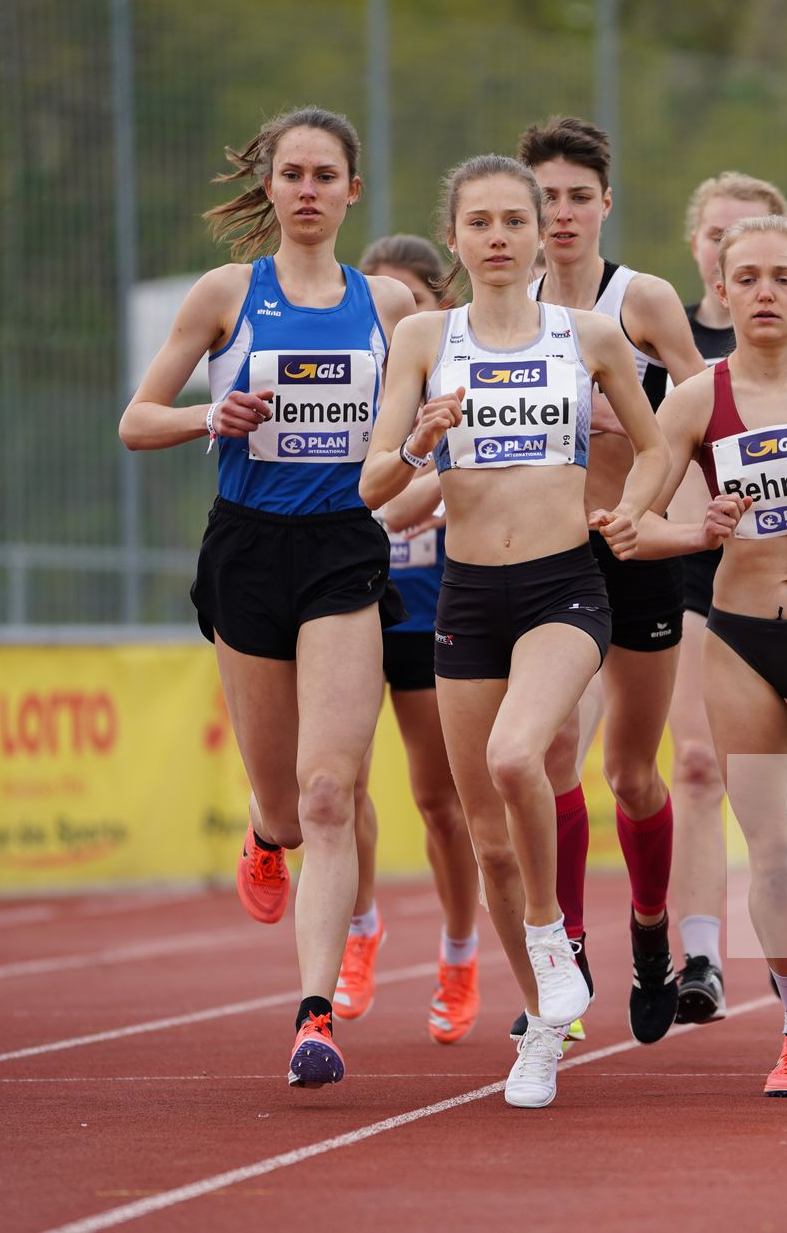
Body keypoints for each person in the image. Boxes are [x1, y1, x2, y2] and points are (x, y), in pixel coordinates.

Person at [360, 154, 669, 1108]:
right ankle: (541, 1027)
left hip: (562, 589)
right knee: (488, 839)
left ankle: (552, 936)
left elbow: (659, 445)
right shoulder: (422, 338)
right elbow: (374, 487)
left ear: (541, 237)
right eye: (479, 222)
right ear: (454, 238)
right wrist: (420, 438)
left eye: (513, 221)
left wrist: (629, 516)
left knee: (514, 756)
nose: (497, 236)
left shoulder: (590, 335)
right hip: (465, 598)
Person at [119, 107, 414, 1089]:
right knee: (288, 810)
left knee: (334, 792)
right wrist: (214, 412)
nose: (306, 189)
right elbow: (136, 419)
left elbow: (428, 424)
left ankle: (313, 1015)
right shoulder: (224, 293)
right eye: (290, 173)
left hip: (342, 550)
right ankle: (263, 832)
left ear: (351, 192)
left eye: (324, 174)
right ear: (270, 188)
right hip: (247, 548)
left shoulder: (389, 308)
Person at [636, 215, 787, 1095]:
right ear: (724, 289)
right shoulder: (698, 397)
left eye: (785, 277)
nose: (767, 292)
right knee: (770, 853)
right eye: (749, 278)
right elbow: (636, 522)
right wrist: (686, 531)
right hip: (739, 636)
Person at [518, 117, 706, 1044]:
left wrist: (645, 460)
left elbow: (709, 408)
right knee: (552, 755)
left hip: (634, 553)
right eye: (543, 198)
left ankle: (646, 928)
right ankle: (570, 949)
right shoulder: (501, 312)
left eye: (576, 198)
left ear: (604, 204)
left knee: (633, 774)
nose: (559, 215)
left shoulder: (646, 300)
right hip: (546, 561)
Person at [321, 235, 484, 1043]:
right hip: (348, 603)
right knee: (337, 784)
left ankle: (458, 953)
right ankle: (358, 932)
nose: (392, 320)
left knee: (438, 800)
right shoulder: (347, 376)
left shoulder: (459, 374)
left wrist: (424, 487)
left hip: (431, 608)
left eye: (408, 303)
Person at [667, 171, 787, 1022]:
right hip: (691, 568)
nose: (731, 249)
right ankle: (702, 957)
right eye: (718, 236)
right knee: (698, 765)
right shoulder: (657, 328)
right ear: (700, 251)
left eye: (751, 238)